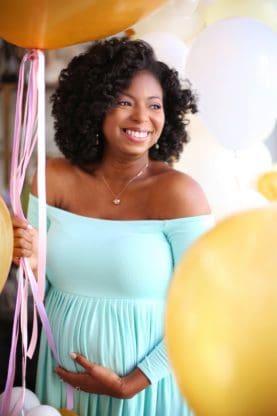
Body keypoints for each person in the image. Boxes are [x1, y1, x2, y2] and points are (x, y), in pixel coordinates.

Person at [12, 37, 214, 416]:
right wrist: (28, 259)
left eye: (155, 106)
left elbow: (205, 311)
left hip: (148, 391)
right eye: (125, 102)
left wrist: (130, 384)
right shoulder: (50, 178)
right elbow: (37, 294)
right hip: (62, 381)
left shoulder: (179, 193)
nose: (142, 118)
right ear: (95, 106)